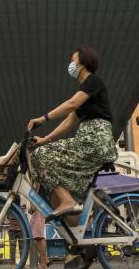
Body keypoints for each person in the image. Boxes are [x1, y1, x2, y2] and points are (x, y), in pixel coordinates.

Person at [27, 46, 118, 221]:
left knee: (40, 156)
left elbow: (71, 104)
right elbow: (69, 121)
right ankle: (75, 225)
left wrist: (43, 118)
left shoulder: (93, 82)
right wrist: (45, 139)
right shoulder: (86, 93)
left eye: (73, 60)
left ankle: (67, 201)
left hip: (94, 140)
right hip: (91, 141)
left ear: (83, 63)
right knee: (50, 162)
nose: (70, 64)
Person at [29, 204, 50, 269]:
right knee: (37, 237)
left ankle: (43, 265)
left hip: (37, 212)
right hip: (39, 211)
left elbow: (33, 207)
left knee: (39, 237)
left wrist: (31, 208)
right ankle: (45, 261)